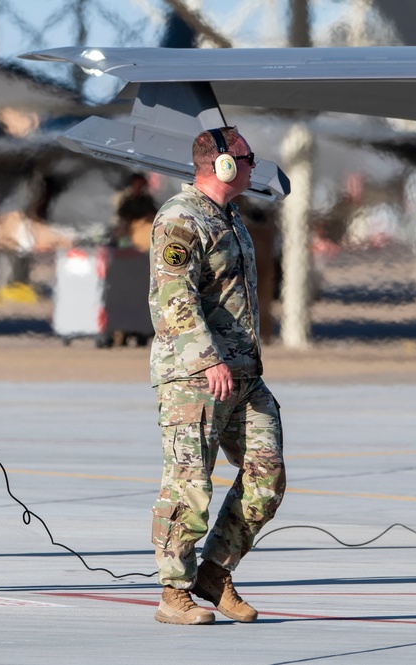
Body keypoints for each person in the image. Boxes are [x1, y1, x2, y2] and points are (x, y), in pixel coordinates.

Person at [148, 127, 286, 625]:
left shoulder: (229, 217)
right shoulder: (181, 218)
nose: (253, 167)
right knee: (189, 481)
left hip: (245, 375)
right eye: (247, 159)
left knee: (266, 477)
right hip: (195, 376)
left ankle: (215, 571)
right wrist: (209, 360)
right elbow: (172, 299)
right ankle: (174, 591)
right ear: (222, 165)